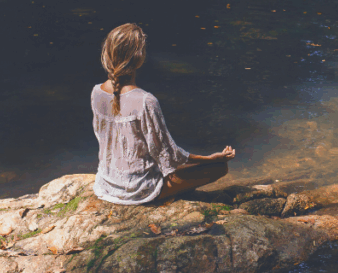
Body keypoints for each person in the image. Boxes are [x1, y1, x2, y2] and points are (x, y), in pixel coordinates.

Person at [91, 23, 235, 205]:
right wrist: (208, 159)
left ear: (107, 54)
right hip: (139, 190)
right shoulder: (145, 101)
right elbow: (168, 154)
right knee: (219, 168)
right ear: (139, 58)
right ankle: (171, 195)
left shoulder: (96, 92)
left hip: (107, 184)